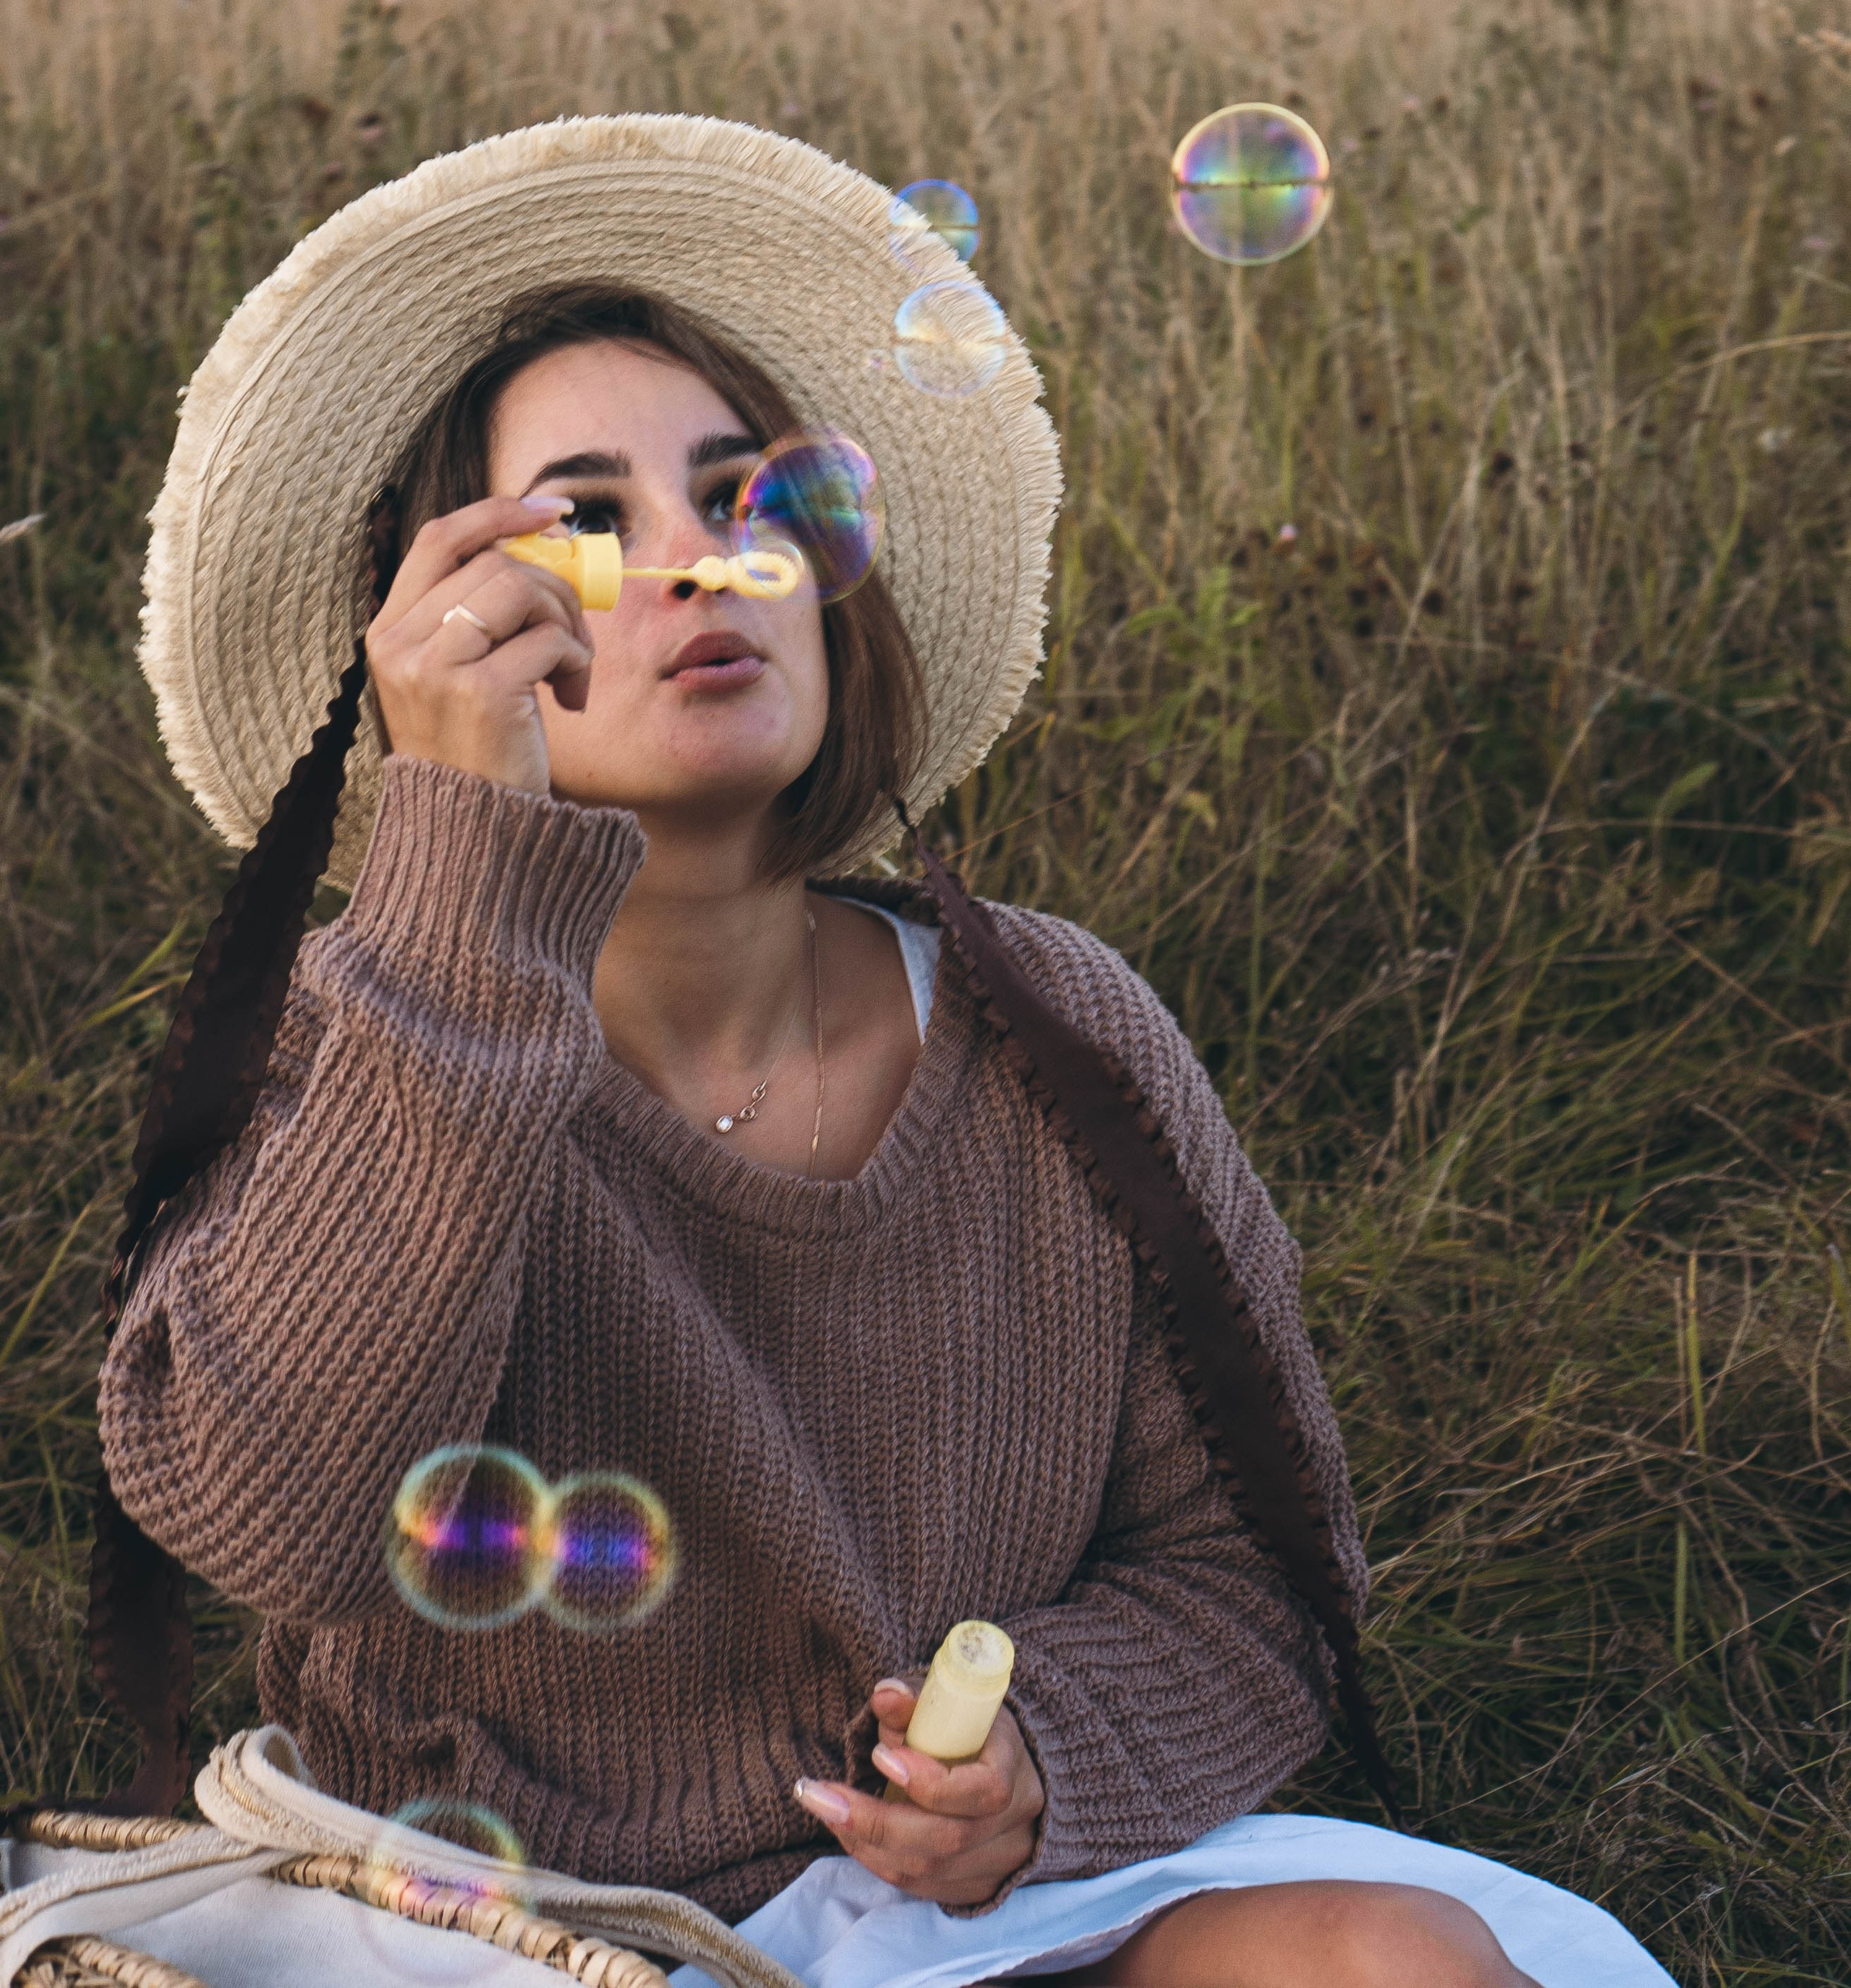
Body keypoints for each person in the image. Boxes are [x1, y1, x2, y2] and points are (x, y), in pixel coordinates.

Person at [100, 118, 1669, 1988]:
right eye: (587, 522)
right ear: (451, 639)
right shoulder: (360, 1037)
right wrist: (460, 888)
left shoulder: (1056, 1037)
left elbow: (1258, 1575)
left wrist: (1042, 1760)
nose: (703, 560)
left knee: (1395, 1958)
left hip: (970, 1917)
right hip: (494, 1920)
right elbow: (270, 1518)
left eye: (745, 497)